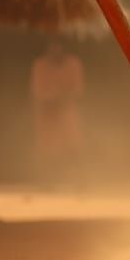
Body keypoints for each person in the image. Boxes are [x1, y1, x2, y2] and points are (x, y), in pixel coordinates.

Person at [30, 35, 85, 186]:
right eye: (52, 46)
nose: (55, 50)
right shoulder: (40, 65)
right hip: (47, 114)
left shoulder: (73, 64)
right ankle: (47, 181)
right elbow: (37, 92)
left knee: (72, 148)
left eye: (58, 46)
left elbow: (77, 90)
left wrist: (61, 99)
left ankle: (77, 180)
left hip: (66, 112)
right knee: (47, 150)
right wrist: (50, 101)